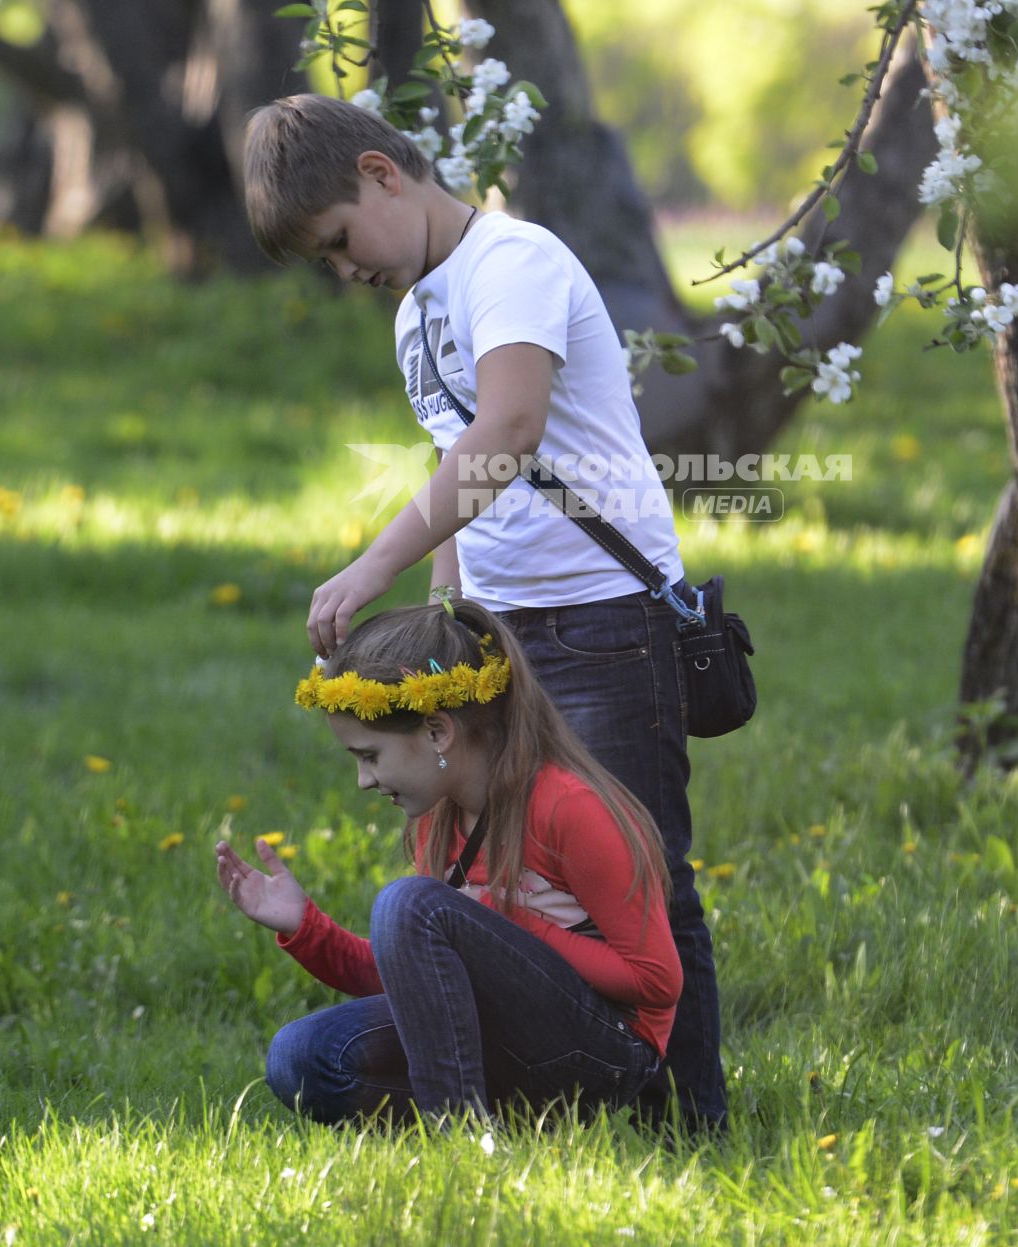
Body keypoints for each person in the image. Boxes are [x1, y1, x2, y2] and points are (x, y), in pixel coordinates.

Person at [244, 93, 727, 1130]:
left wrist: (371, 563)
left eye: (338, 241)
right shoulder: (418, 307)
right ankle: (538, 1090)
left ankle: (688, 1120)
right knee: (493, 873)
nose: (345, 269)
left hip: (597, 617)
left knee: (641, 872)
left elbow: (508, 424)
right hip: (504, 632)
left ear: (382, 173)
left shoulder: (513, 262)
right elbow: (458, 457)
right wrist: (446, 605)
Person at [215, 600, 681, 1124]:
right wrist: (306, 927)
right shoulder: (435, 820)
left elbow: (656, 981)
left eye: (370, 756)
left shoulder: (568, 807)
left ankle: (458, 1137)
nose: (364, 781)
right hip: (502, 1040)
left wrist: (517, 924)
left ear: (437, 732)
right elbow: (419, 981)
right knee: (302, 1055)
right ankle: (494, 1122)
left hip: (604, 1051)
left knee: (409, 903)